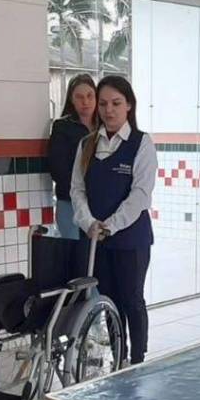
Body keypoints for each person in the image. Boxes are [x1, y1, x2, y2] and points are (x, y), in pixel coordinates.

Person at [71, 75, 157, 365]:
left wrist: (110, 225)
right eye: (104, 104)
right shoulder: (87, 144)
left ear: (129, 105)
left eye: (116, 103)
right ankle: (119, 357)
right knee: (108, 300)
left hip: (131, 238)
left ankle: (137, 359)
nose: (109, 110)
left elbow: (140, 195)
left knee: (132, 299)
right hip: (95, 238)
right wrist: (89, 223)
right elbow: (77, 190)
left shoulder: (141, 143)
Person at [48, 73, 96, 239]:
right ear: (71, 100)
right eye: (79, 97)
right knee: (74, 250)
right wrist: (81, 193)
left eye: (90, 96)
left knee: (97, 251)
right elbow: (58, 169)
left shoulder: (105, 126)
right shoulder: (62, 126)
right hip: (69, 202)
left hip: (98, 202)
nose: (85, 102)